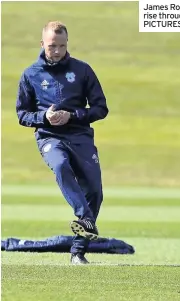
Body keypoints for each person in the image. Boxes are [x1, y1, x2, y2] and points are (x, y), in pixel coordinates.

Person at [16, 21, 109, 264]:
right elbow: (22, 115)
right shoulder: (30, 74)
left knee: (95, 191)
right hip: (50, 137)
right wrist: (44, 117)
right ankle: (84, 218)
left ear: (67, 44)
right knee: (60, 166)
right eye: (52, 46)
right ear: (42, 44)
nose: (57, 51)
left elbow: (101, 109)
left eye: (62, 46)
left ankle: (78, 252)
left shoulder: (83, 70)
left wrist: (73, 115)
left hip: (80, 136)